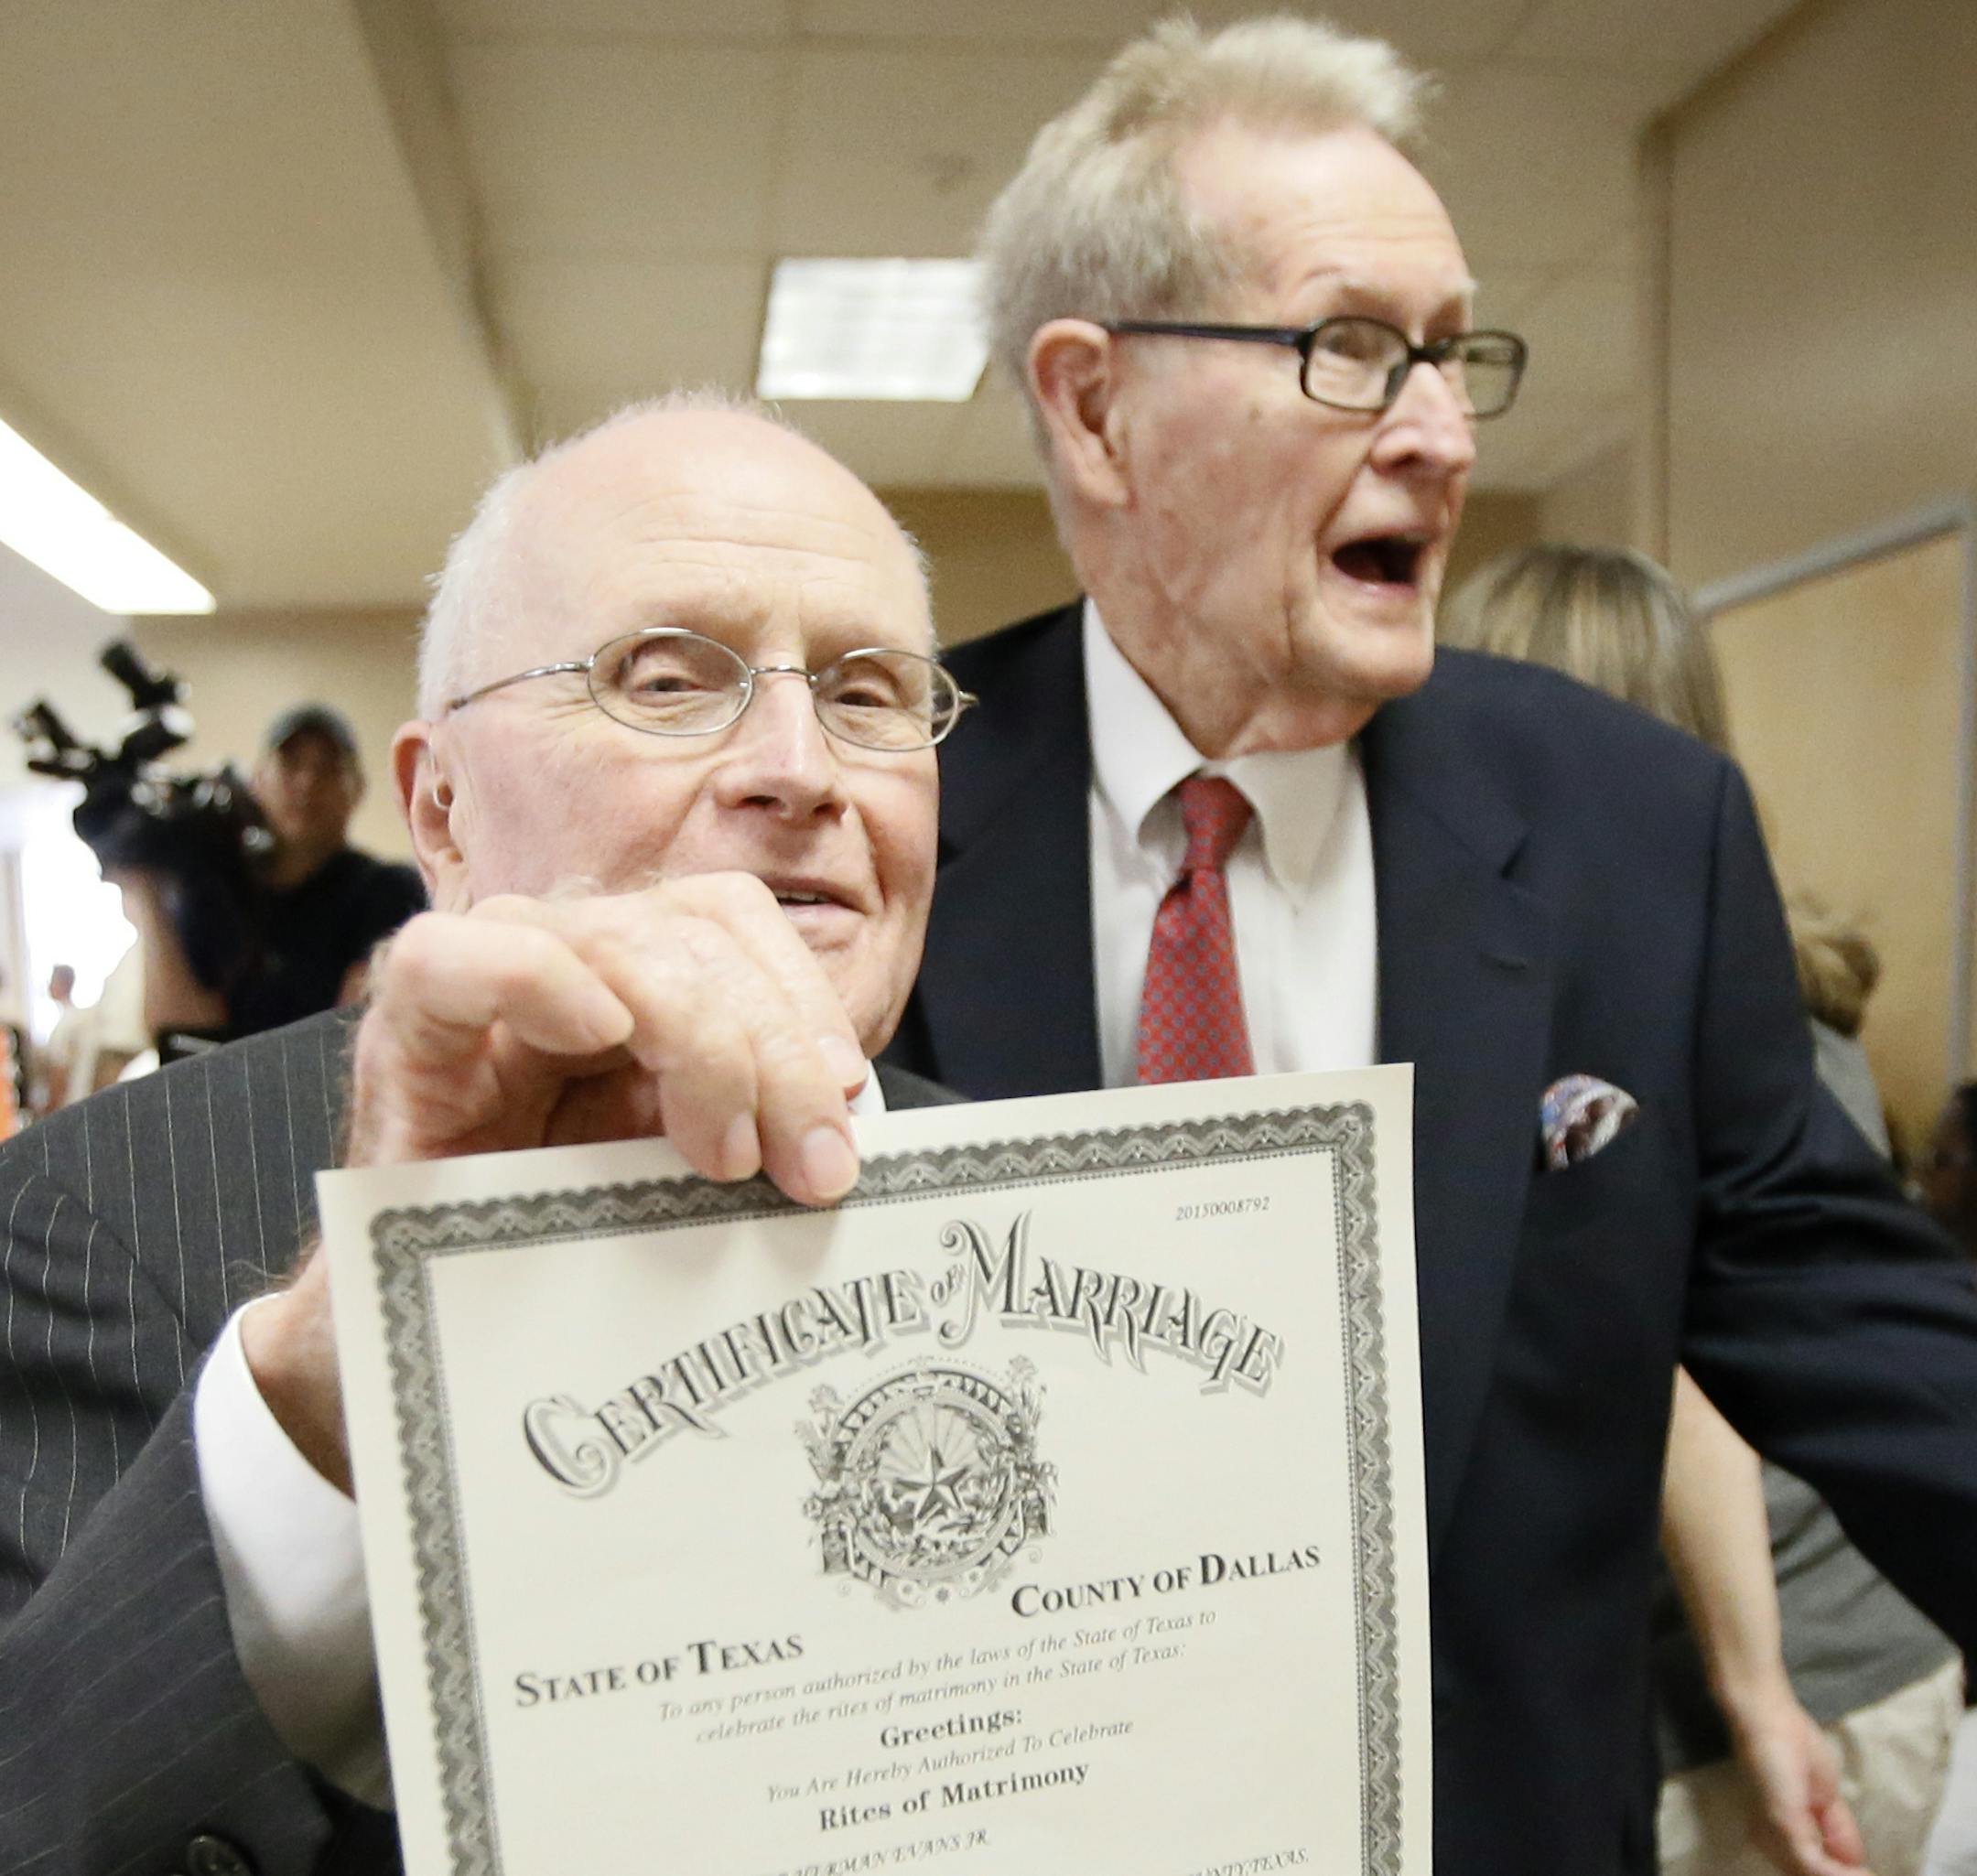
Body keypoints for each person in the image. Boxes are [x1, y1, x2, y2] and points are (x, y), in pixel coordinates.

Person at [879, 16, 1977, 1876]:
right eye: (1354, 349)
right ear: (1091, 405)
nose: (1448, 435)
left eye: (1455, 353)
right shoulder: (865, 814)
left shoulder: (1641, 829)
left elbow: (1861, 1324)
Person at [0, 395, 963, 1871]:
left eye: (872, 693)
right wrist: (330, 1393)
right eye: (667, 678)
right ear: (440, 813)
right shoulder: (98, 1215)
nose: (803, 767)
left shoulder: (1076, 1200)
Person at [1440, 542, 1961, 1876]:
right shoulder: (1775, 998)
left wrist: (1755, 1681)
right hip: (1813, 1656)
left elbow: (1694, 1387)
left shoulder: (1688, 1037)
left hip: (1777, 1679)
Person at [229, 702, 427, 1034]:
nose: (307, 783)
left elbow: (346, 1037)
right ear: (257, 780)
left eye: (328, 768)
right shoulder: (226, 893)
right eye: (290, 764)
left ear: (357, 790)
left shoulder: (388, 890)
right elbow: (181, 1030)